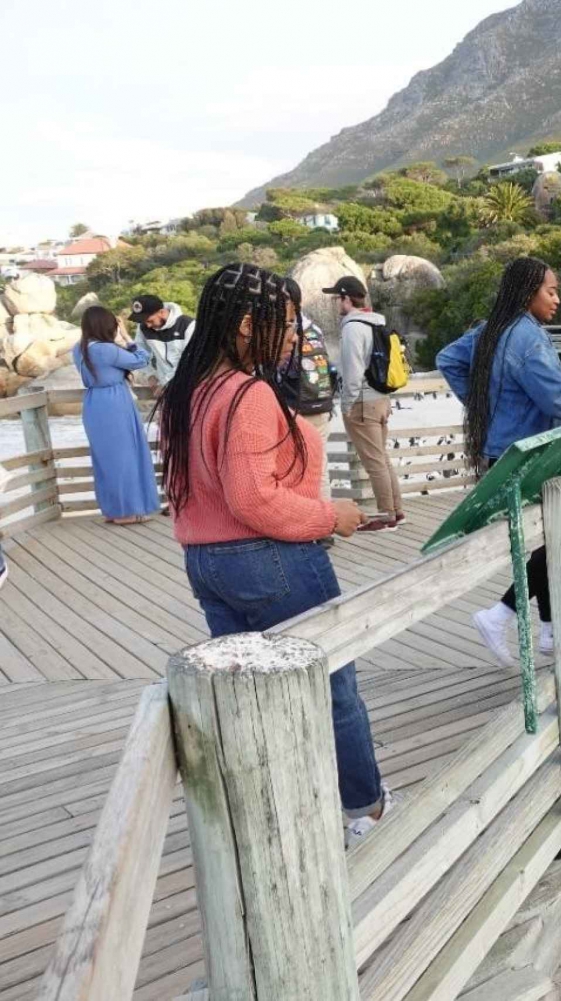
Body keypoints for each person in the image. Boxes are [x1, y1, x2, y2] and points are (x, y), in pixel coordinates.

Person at [156, 263, 389, 844]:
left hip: (208, 564)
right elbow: (254, 497)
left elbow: (190, 491)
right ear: (244, 325)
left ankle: (286, 815)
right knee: (332, 689)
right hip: (273, 560)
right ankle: (365, 810)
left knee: (254, 699)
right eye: (284, 324)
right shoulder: (248, 393)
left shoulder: (187, 391)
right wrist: (330, 516)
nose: (293, 335)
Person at [437, 257, 561, 667]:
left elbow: (447, 359)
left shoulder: (492, 329)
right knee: (550, 536)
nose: (557, 299)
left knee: (541, 538)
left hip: (500, 450)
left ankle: (548, 627)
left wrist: (485, 406)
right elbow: (559, 402)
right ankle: (500, 614)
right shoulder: (529, 339)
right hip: (529, 452)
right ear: (530, 292)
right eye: (551, 291)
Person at [326, 276, 404, 531]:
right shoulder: (376, 322)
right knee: (382, 458)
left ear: (346, 299)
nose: (336, 303)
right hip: (381, 399)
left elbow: (352, 372)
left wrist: (346, 405)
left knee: (374, 462)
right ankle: (397, 511)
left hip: (362, 401)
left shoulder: (352, 328)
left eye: (337, 298)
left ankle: (386, 516)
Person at [73, 306, 160, 524]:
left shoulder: (78, 348)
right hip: (114, 402)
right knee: (125, 457)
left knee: (106, 459)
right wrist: (127, 337)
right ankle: (127, 512)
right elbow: (142, 359)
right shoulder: (106, 350)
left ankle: (113, 509)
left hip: (93, 402)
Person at [276, 279, 337, 516]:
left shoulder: (285, 330)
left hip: (295, 407)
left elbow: (280, 369)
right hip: (321, 404)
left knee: (294, 467)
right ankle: (326, 519)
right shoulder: (314, 329)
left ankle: (308, 519)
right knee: (320, 467)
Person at [128, 293, 195, 396]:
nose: (147, 325)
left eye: (150, 320)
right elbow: (140, 352)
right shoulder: (143, 327)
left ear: (162, 312)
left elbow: (189, 360)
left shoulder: (188, 325)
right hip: (164, 388)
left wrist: (166, 384)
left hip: (189, 384)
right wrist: (149, 374)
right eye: (143, 321)